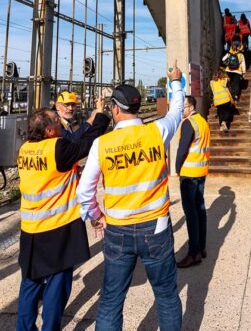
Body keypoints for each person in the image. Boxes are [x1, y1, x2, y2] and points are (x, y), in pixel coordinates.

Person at [77, 60, 184, 331]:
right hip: (156, 228)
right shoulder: (156, 132)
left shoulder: (102, 144)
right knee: (167, 296)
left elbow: (85, 191)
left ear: (114, 109)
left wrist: (95, 216)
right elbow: (177, 110)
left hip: (118, 230)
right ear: (137, 106)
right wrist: (175, 81)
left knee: (112, 299)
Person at [16, 99, 109, 331]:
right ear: (49, 130)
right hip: (57, 229)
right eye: (57, 122)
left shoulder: (25, 148)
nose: (60, 125)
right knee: (57, 284)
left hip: (30, 229)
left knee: (30, 282)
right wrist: (100, 116)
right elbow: (86, 143)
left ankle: (24, 328)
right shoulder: (57, 148)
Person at [175, 96, 210, 268]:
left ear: (191, 107)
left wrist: (176, 168)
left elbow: (182, 150)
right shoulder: (202, 122)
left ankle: (193, 253)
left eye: (183, 108)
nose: (182, 111)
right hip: (201, 171)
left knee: (191, 214)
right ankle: (202, 247)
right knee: (200, 210)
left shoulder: (188, 123)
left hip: (189, 174)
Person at [210, 68, 234, 132]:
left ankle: (221, 126)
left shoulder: (212, 82)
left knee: (220, 112)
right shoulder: (225, 80)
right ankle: (224, 121)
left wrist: (212, 101)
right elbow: (229, 90)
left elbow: (212, 92)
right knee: (227, 111)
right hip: (225, 99)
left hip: (217, 101)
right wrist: (231, 98)